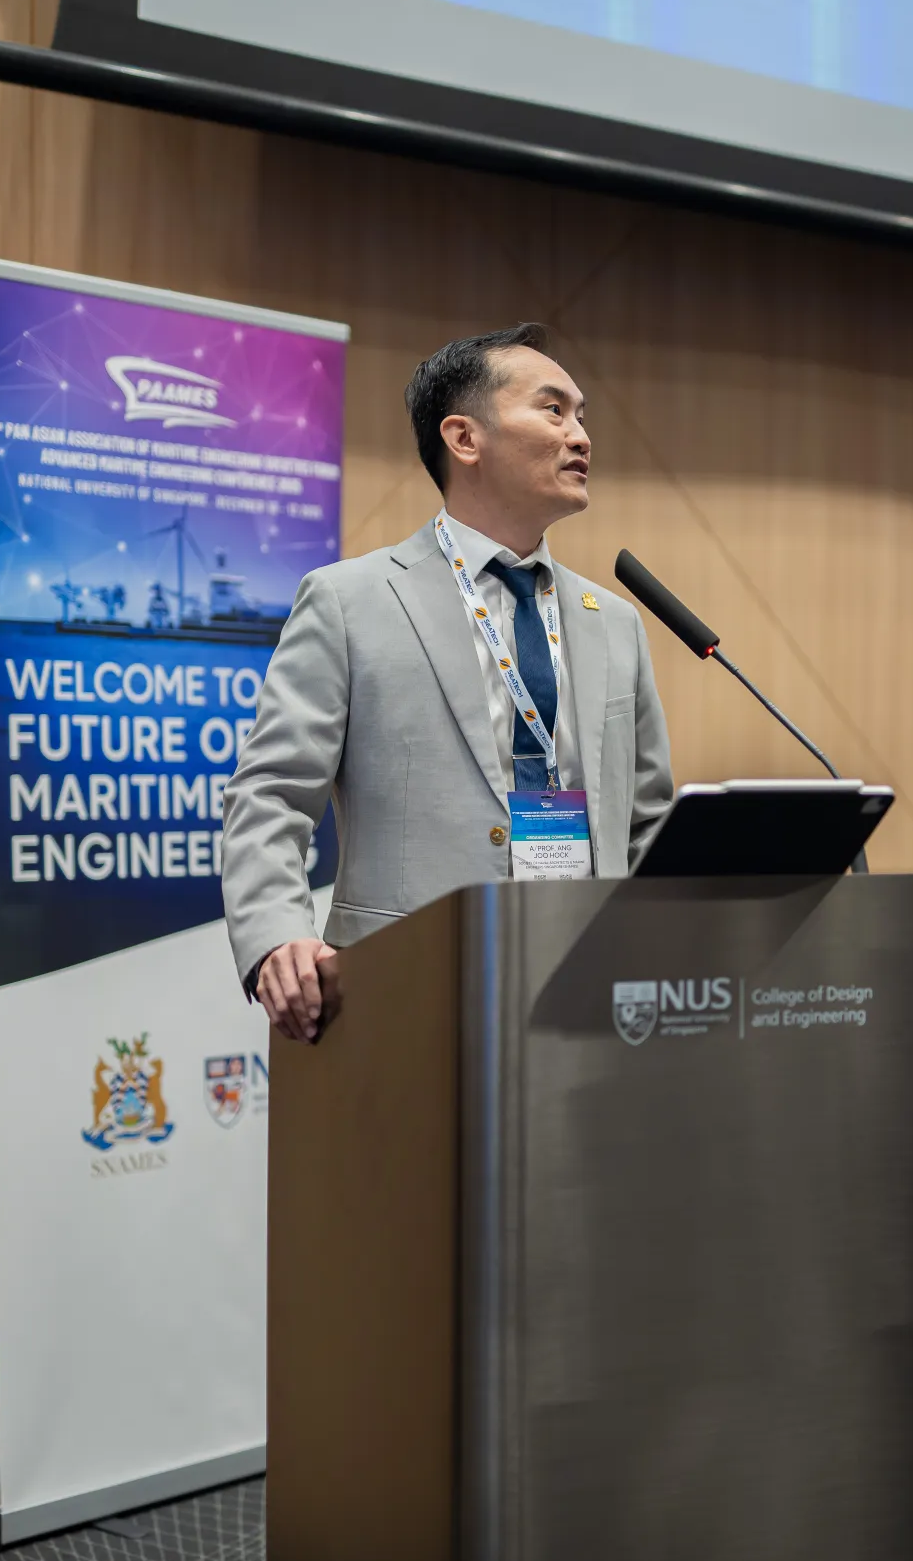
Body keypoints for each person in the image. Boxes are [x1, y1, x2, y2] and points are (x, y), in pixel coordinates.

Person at [222, 323, 673, 1041]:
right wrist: (277, 935)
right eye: (553, 410)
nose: (581, 436)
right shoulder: (351, 601)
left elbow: (648, 822)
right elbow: (271, 794)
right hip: (404, 992)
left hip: (590, 994)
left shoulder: (615, 621)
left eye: (582, 415)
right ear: (464, 438)